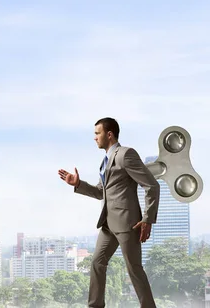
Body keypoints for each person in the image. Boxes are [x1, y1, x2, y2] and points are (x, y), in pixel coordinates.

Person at [58, 117, 160, 308]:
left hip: (128, 224)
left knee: (134, 270)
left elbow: (151, 185)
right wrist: (78, 184)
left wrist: (147, 219)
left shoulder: (125, 154)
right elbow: (100, 193)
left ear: (109, 134)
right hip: (108, 224)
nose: (95, 138)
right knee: (97, 263)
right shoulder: (105, 162)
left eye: (97, 133)